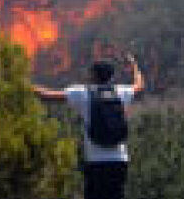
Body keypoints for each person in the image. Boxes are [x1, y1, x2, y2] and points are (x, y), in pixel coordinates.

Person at [35, 53, 145, 199]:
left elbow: (46, 95)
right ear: (111, 76)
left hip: (96, 162)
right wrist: (134, 67)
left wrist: (20, 82)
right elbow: (139, 86)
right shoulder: (121, 92)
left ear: (93, 75)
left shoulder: (82, 93)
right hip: (119, 161)